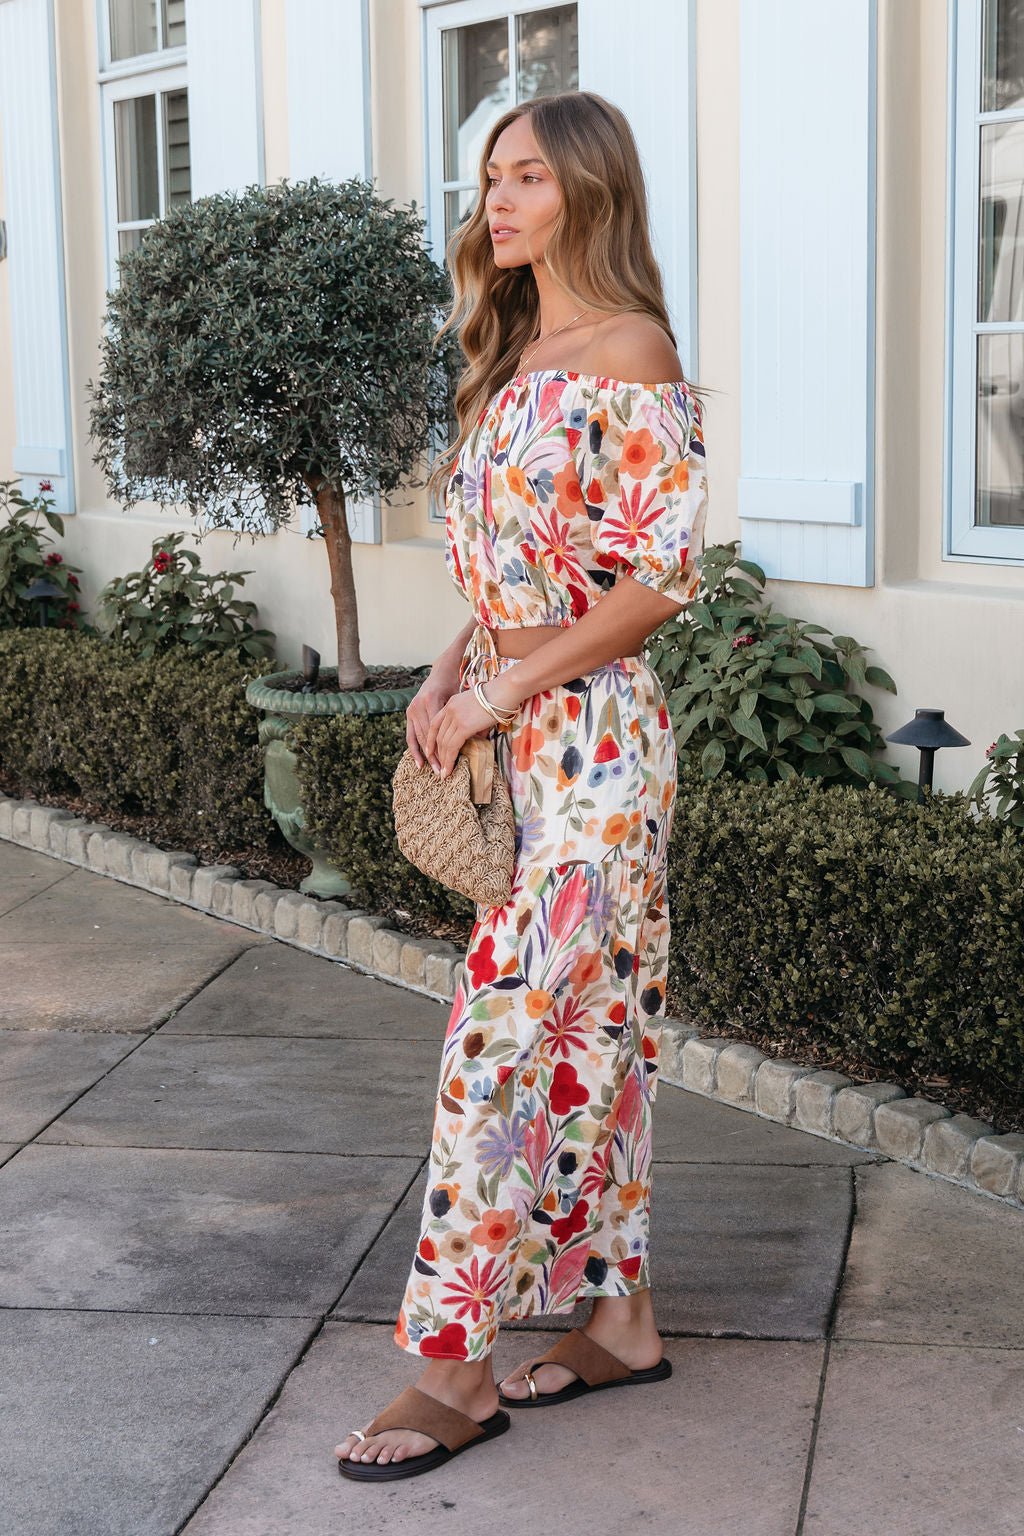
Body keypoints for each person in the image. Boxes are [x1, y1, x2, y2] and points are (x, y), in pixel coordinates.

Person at [336, 88, 709, 1483]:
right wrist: (446, 672)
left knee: (496, 1037)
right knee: (590, 1030)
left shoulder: (629, 348)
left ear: (590, 192)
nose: (497, 199)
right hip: (517, 722)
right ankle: (621, 1320)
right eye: (492, 175)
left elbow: (657, 582)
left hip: (596, 749)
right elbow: (508, 567)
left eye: (530, 176)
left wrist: (498, 691)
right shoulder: (514, 353)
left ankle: (453, 1368)